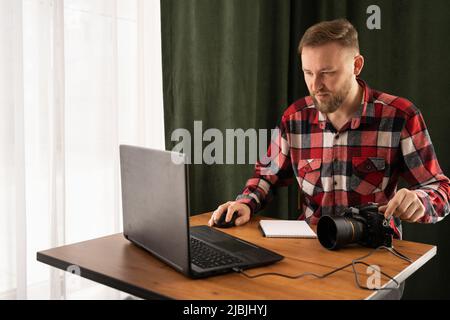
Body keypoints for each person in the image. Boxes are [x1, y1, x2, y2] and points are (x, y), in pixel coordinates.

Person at [208, 18, 450, 238]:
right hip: (311, 253)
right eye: (308, 73)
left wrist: (420, 199)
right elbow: (266, 177)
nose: (315, 85)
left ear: (356, 66)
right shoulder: (294, 118)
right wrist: (245, 203)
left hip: (375, 254)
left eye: (327, 73)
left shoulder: (401, 115)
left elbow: (440, 189)